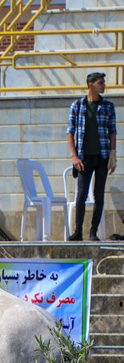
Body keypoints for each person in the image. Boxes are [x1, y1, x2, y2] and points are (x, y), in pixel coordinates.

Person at [67, 71, 118, 241]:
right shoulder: (77, 106)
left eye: (103, 82)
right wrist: (74, 157)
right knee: (81, 195)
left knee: (99, 195)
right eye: (100, 83)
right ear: (91, 85)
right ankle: (78, 232)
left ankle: (93, 232)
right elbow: (70, 132)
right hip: (83, 158)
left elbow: (112, 132)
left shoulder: (108, 106)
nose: (104, 85)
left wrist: (113, 155)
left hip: (102, 157)